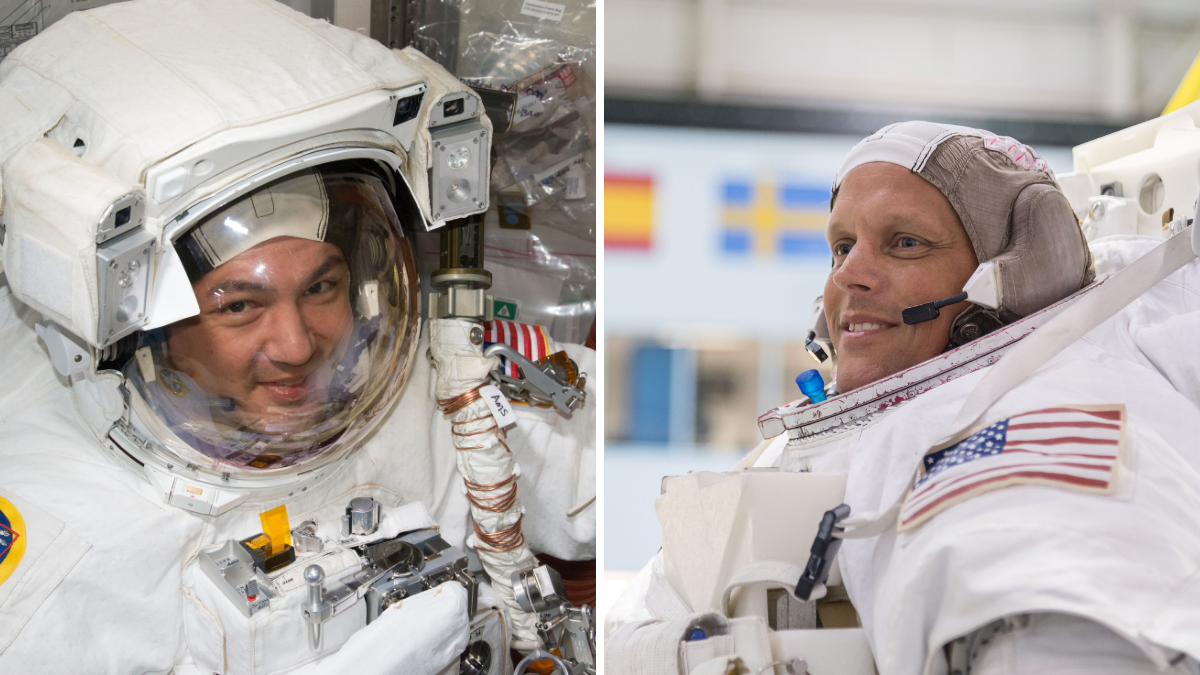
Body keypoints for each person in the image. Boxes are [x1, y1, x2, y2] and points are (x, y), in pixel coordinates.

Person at [0, 1, 596, 673]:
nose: (296, 344)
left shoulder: (421, 392)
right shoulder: (63, 539)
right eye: (238, 306)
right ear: (139, 330)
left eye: (320, 287)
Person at [606, 121, 1200, 675]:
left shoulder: (1033, 418)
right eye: (842, 247)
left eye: (905, 243)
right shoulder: (888, 423)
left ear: (1023, 274)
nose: (847, 276)